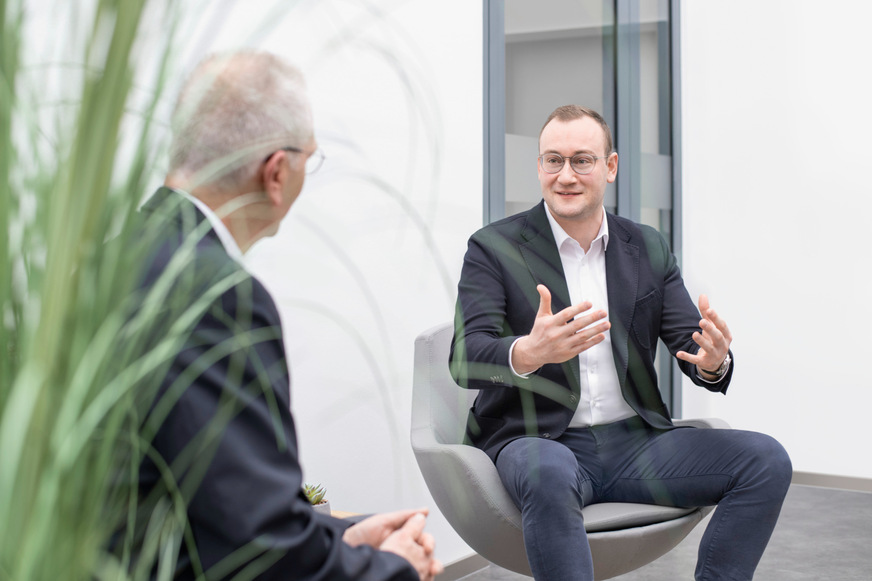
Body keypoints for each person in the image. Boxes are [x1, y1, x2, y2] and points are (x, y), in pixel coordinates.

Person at [124, 51, 442, 581]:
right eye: (308, 159)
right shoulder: (217, 296)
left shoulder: (123, 256)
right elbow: (260, 553)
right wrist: (392, 567)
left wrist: (342, 536)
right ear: (276, 171)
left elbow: (204, 499)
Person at [449, 104, 791, 580]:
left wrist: (714, 361)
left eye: (582, 160)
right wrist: (528, 352)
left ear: (610, 167)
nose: (565, 175)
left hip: (635, 444)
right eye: (553, 160)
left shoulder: (646, 246)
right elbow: (465, 357)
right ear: (541, 168)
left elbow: (690, 345)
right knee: (547, 475)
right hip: (540, 440)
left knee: (766, 460)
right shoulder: (494, 247)